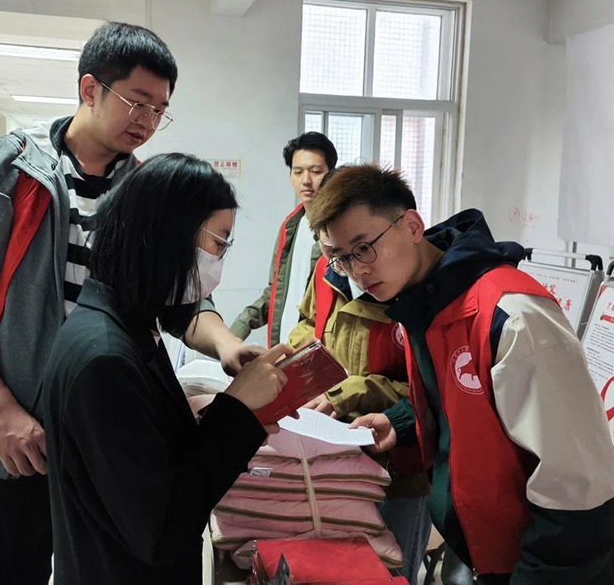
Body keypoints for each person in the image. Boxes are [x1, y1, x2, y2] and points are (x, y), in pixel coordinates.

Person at [0, 22, 256, 584]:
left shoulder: (141, 188)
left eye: (160, 110)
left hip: (103, 428)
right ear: (89, 89)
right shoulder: (15, 170)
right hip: (19, 429)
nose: (147, 121)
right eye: (137, 102)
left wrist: (225, 344)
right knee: (10, 566)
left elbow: (177, 295)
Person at [308, 163, 614, 584]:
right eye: (342, 258)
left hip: (537, 566)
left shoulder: (513, 317)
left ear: (412, 226)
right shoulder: (424, 305)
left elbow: (579, 490)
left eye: (364, 248)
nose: (357, 271)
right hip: (482, 550)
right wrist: (401, 422)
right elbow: (468, 402)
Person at [43, 153, 291, 584]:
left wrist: (230, 416)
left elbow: (145, 458)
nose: (219, 261)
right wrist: (235, 412)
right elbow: (161, 528)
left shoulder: (123, 321)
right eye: (218, 243)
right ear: (169, 236)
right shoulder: (105, 361)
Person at [289, 221, 431, 585]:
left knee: (391, 571)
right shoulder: (327, 272)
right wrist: (296, 358)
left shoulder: (410, 285)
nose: (347, 266)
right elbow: (310, 321)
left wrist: (351, 391)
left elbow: (428, 393)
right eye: (330, 250)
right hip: (330, 459)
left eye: (356, 251)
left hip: (397, 467)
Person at [230, 131, 337, 346]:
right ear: (290, 176)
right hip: (283, 346)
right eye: (298, 172)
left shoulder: (337, 234)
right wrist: (239, 327)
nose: (306, 180)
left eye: (316, 171)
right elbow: (275, 292)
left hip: (316, 348)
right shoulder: (291, 226)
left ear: (331, 174)